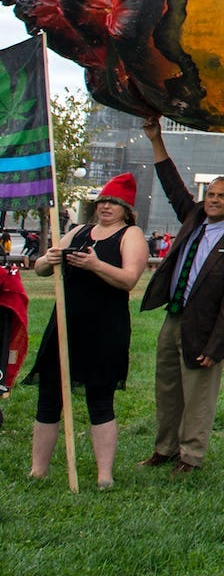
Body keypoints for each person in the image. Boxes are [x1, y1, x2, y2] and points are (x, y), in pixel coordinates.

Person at [138, 115, 224, 472]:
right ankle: (165, 448)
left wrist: (216, 345)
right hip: (173, 318)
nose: (214, 200)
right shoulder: (192, 218)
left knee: (198, 395)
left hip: (203, 328)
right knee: (168, 388)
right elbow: (171, 183)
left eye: (222, 196)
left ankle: (191, 456)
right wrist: (157, 139)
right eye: (211, 194)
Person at [26, 172, 147, 487]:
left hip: (105, 326)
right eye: (103, 200)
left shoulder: (131, 234)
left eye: (114, 203)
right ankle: (38, 470)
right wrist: (47, 259)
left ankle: (104, 475)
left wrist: (96, 265)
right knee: (50, 395)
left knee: (99, 397)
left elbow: (129, 279)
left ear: (127, 209)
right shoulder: (78, 231)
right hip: (66, 323)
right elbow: (40, 268)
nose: (106, 207)